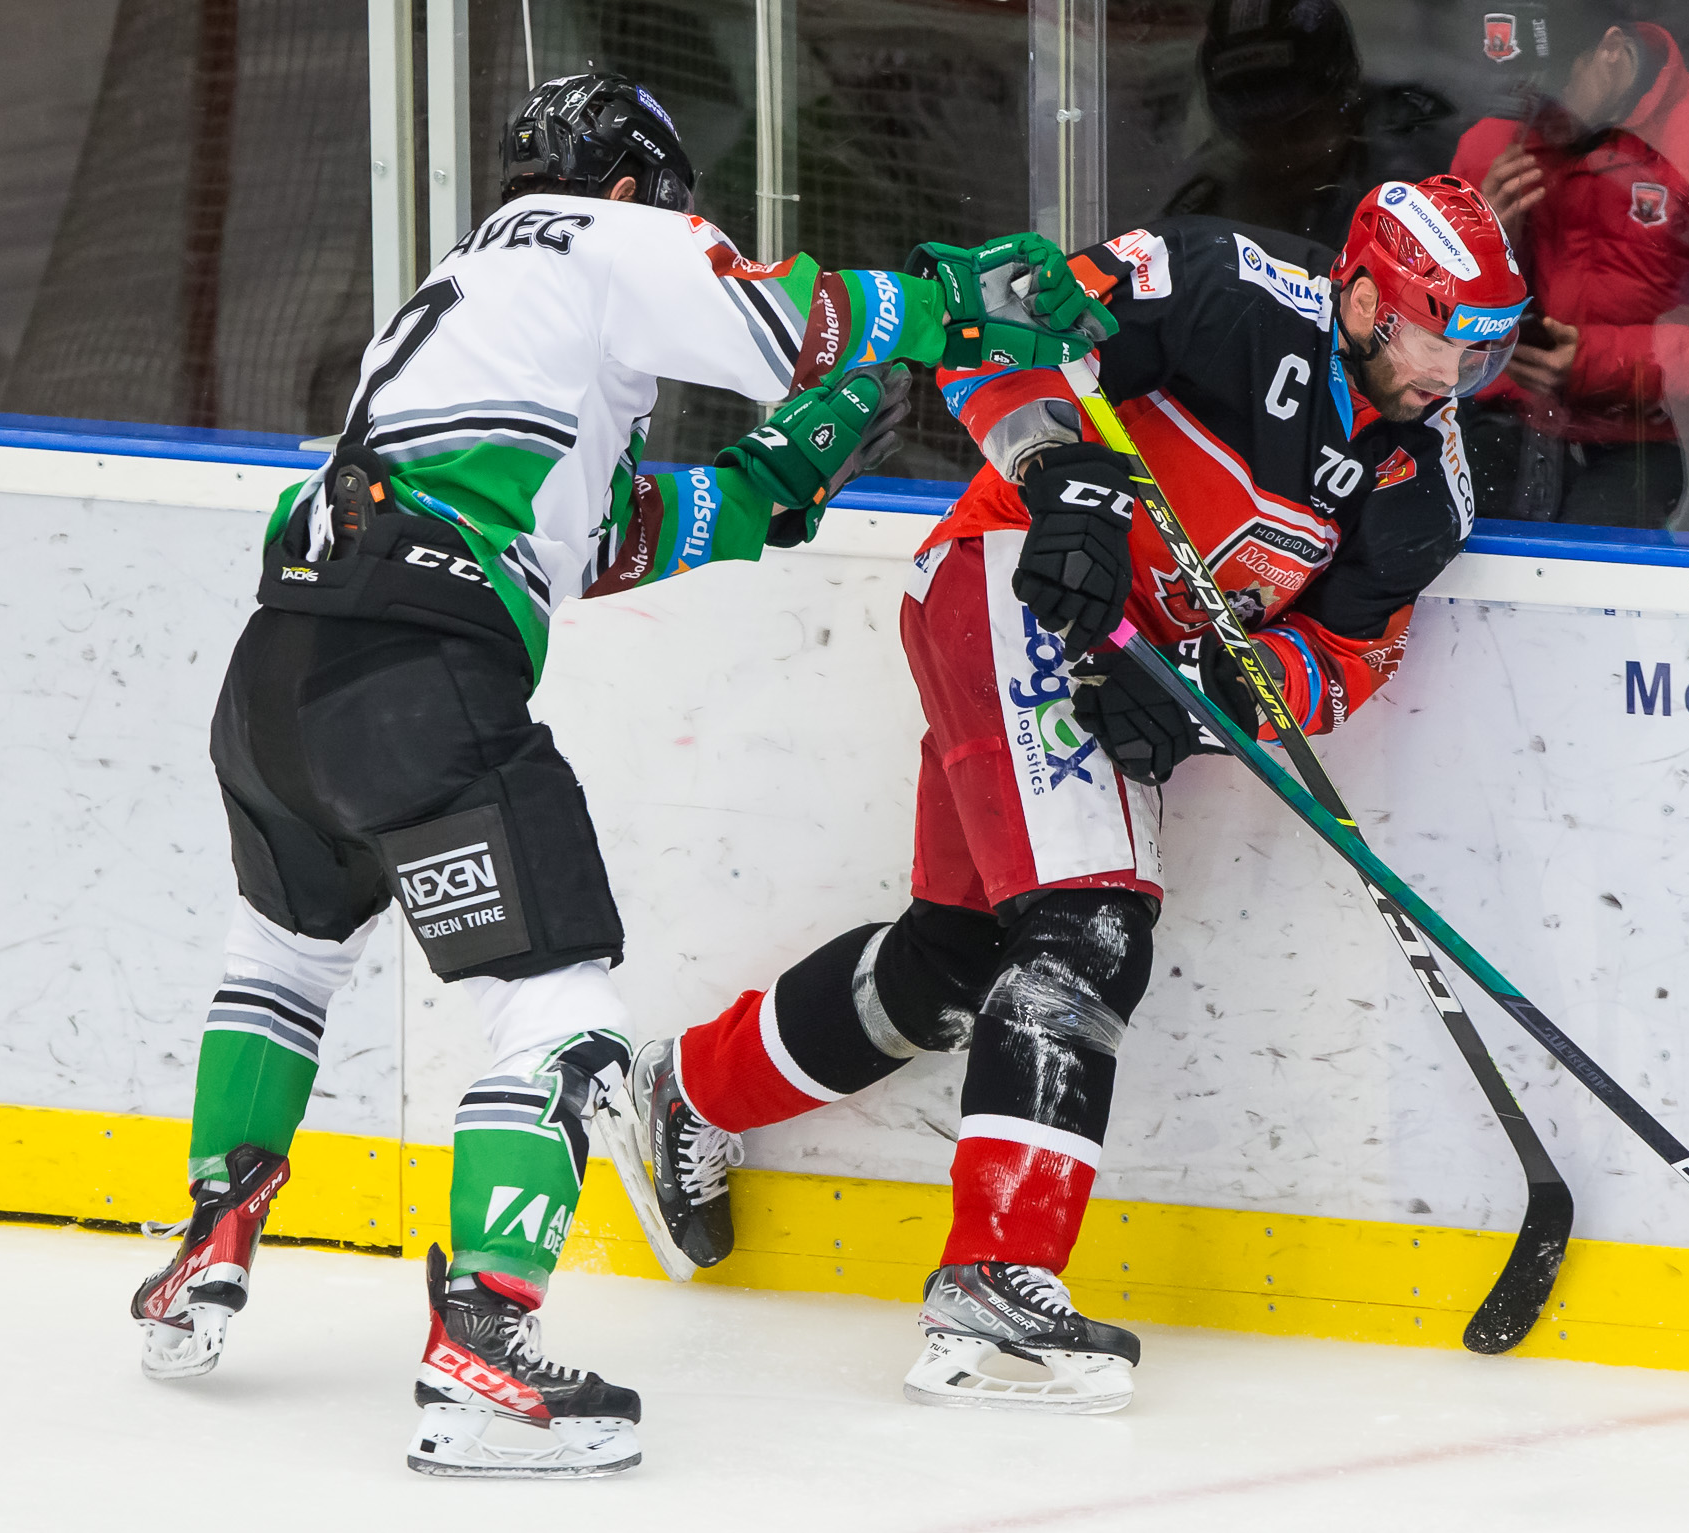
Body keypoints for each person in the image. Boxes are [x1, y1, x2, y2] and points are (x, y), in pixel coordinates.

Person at [125, 72, 1106, 1478]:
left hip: (278, 672)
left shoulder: (463, 297)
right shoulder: (602, 233)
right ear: (637, 187)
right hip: (416, 675)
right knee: (564, 1007)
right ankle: (483, 1350)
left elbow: (588, 536)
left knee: (283, 953)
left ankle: (207, 1246)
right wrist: (962, 302)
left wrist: (766, 484)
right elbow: (793, 324)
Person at [606, 177, 1527, 1414]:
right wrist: (1060, 477)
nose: (1452, 378)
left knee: (951, 965)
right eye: (1436, 341)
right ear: (1364, 298)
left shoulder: (1426, 488)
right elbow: (994, 325)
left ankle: (690, 1086)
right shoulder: (1226, 287)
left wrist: (1221, 698)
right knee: (1089, 930)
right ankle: (994, 1277)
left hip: (1124, 674)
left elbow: (1347, 657)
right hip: (1009, 583)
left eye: (1483, 352)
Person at [1451, 0, 1689, 528]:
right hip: (1511, 418)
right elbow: (1429, 318)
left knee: (1602, 552)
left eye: (1552, 84)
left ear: (1611, 50)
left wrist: (1601, 362)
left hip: (1669, 437)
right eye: (1520, 86)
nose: (1535, 105)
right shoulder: (1494, 144)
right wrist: (1481, 245)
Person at [1160, 0, 1458, 249]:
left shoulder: (1419, 176)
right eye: (1253, 130)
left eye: (1298, 126)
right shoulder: (1207, 203)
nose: (1278, 152)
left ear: (1343, 101)